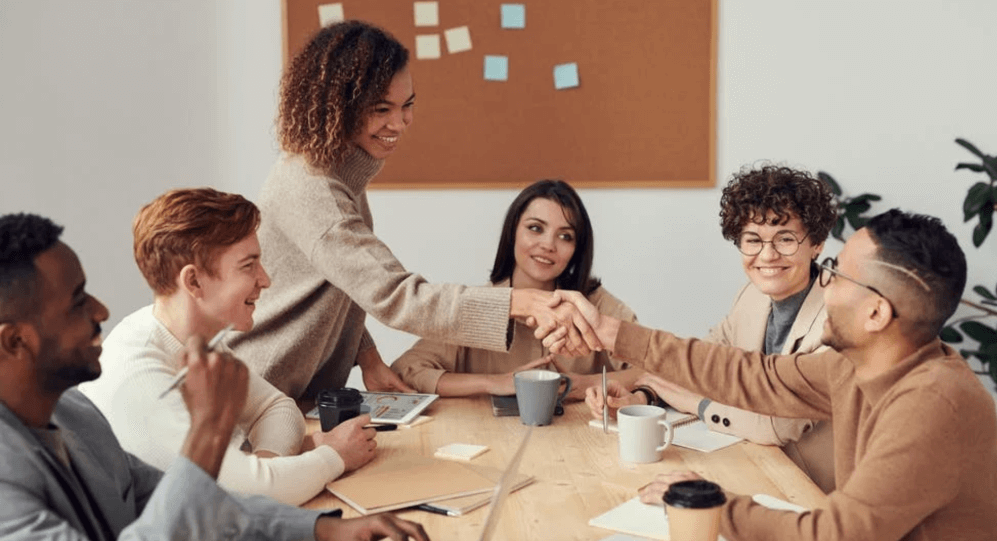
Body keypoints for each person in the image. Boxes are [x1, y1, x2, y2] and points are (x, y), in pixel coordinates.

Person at [554, 209, 997, 540]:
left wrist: (713, 502)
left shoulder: (933, 403)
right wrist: (613, 334)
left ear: (876, 312)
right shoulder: (857, 365)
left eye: (835, 273)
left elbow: (837, 534)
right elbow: (753, 376)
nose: (823, 282)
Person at [229, 20, 597, 402]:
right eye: (381, 108)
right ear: (339, 107)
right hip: (257, 395)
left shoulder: (337, 176)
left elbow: (344, 283)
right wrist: (516, 302)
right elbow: (396, 295)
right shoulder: (315, 190)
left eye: (407, 106)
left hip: (293, 396)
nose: (399, 123)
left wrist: (367, 357)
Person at [0, 212, 429, 540]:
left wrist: (322, 530)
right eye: (77, 303)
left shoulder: (75, 413)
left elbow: (198, 503)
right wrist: (208, 432)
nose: (101, 311)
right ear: (15, 342)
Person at [79, 189, 376, 506]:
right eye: (248, 266)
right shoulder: (140, 378)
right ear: (193, 282)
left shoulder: (192, 337)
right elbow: (249, 497)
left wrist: (266, 466)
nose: (265, 280)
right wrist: (334, 456)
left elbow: (276, 408)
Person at [586, 165, 838, 491]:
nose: (768, 254)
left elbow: (776, 425)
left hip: (813, 490)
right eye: (753, 240)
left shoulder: (837, 320)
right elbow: (701, 364)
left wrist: (697, 404)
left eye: (785, 239)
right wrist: (644, 394)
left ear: (816, 243)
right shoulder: (751, 296)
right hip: (755, 468)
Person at [391, 180, 638, 399]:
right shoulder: (478, 306)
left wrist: (590, 383)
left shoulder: (596, 305)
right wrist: (494, 382)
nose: (548, 245)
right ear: (513, 233)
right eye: (535, 228)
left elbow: (658, 371)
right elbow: (406, 370)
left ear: (577, 250)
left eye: (565, 236)